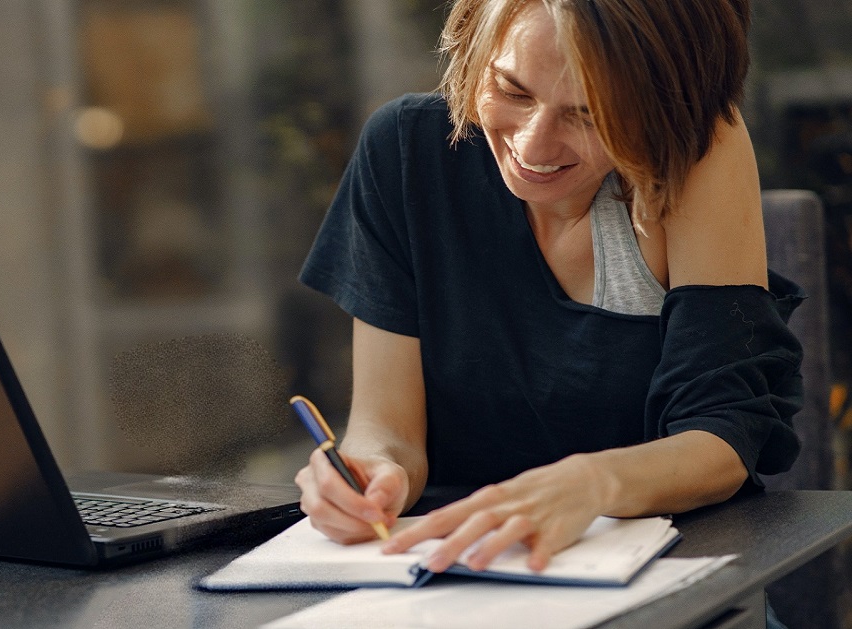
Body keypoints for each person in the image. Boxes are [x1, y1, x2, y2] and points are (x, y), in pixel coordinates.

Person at [293, 0, 804, 581]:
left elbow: (722, 441)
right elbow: (387, 431)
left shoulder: (694, 151)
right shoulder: (405, 153)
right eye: (511, 90)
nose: (533, 148)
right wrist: (367, 477)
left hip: (672, 573)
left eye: (588, 116)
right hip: (453, 574)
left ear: (667, 110)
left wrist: (591, 483)